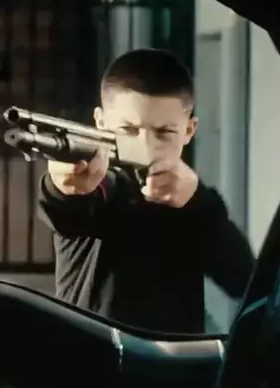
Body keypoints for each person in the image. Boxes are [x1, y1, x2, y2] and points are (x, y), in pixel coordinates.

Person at [38, 48, 256, 333]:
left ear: (189, 130)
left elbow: (246, 282)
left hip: (171, 360)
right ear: (101, 123)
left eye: (164, 132)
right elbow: (64, 209)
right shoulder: (99, 186)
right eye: (128, 130)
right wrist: (62, 186)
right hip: (92, 355)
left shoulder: (194, 203)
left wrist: (198, 202)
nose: (146, 146)